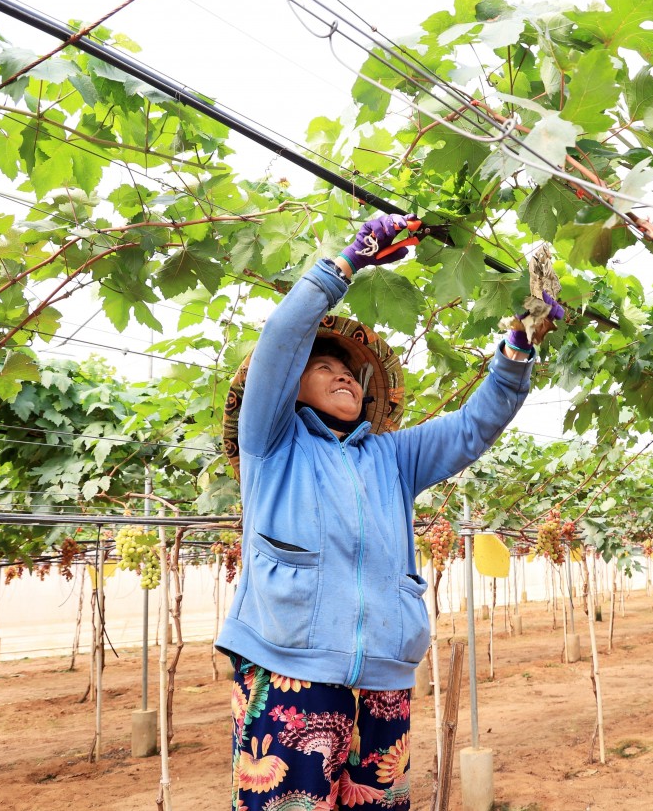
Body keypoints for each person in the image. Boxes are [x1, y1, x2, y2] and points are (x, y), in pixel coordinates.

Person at [217, 213, 562, 809]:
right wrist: (347, 262)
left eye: (350, 371)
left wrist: (517, 351)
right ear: (289, 388)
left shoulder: (391, 457)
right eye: (323, 368)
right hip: (289, 667)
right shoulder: (271, 443)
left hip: (384, 676)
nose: (343, 376)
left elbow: (473, 428)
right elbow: (278, 342)